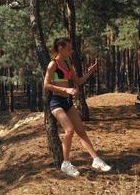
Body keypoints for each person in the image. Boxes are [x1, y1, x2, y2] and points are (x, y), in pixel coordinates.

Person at [43, 37, 111, 177]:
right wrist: (66, 90)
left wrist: (89, 72)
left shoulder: (68, 63)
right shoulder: (52, 65)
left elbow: (78, 81)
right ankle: (65, 163)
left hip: (67, 102)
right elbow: (46, 85)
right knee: (69, 129)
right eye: (68, 48)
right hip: (56, 102)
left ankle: (96, 159)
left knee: (81, 131)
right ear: (61, 48)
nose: (71, 51)